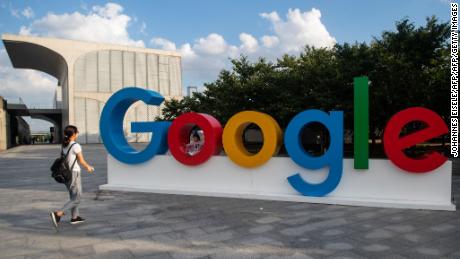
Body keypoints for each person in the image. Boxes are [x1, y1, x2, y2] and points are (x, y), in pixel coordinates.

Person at [50, 125, 94, 228]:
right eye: (77, 132)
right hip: (74, 174)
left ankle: (75, 217)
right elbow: (81, 161)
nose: (78, 133)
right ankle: (58, 214)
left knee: (73, 196)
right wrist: (88, 167)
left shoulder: (65, 145)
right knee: (77, 198)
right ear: (73, 134)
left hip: (66, 174)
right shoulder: (75, 145)